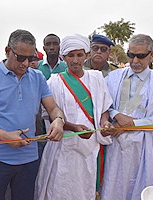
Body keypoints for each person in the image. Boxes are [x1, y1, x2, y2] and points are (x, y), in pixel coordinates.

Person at [0, 29, 64, 200]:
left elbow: (53, 108)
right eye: (21, 57)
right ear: (7, 51)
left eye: (31, 58)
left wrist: (58, 120)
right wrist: (5, 136)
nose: (26, 63)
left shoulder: (37, 78)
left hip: (28, 158)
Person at [35, 34, 114, 200]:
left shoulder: (97, 78)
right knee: (61, 189)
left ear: (87, 55)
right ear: (64, 57)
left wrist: (105, 123)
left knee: (84, 189)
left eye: (79, 55)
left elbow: (104, 108)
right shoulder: (54, 82)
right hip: (63, 147)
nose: (76, 60)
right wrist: (73, 127)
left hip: (91, 146)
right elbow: (49, 115)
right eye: (71, 55)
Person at [100, 34, 153, 200]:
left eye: (141, 56)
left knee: (142, 189)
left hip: (147, 147)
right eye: (131, 55)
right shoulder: (113, 78)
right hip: (116, 146)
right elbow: (104, 105)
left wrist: (133, 125)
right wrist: (116, 115)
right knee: (113, 188)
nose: (135, 61)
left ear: (152, 54)